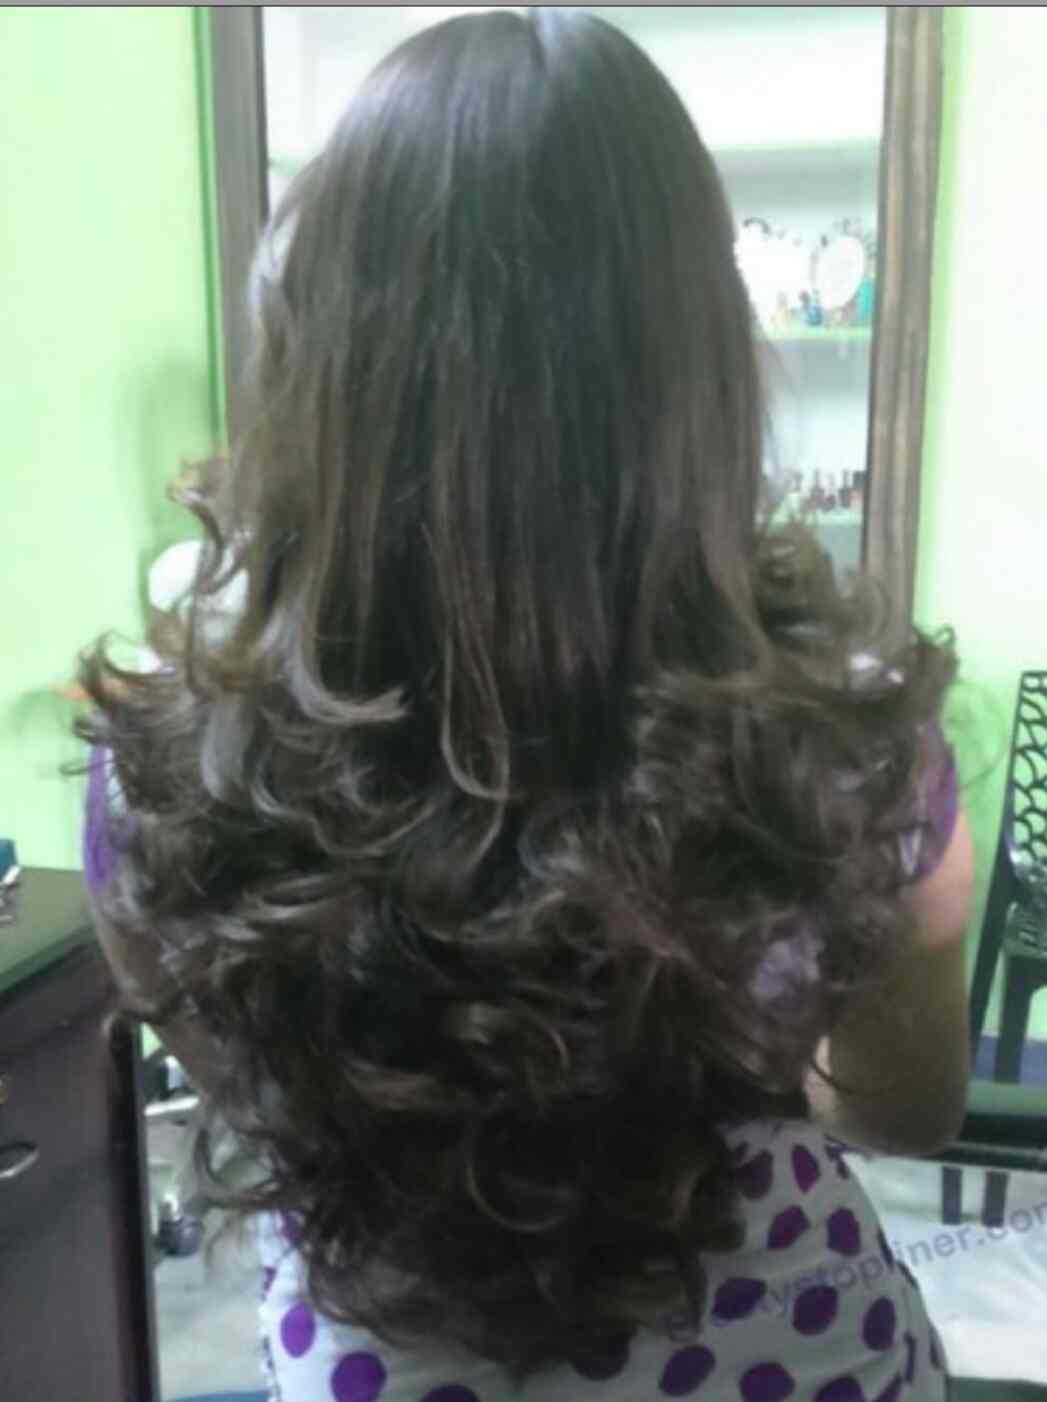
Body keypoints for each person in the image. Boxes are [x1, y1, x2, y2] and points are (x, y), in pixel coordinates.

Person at [77, 10, 972, 1401]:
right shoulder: (852, 754)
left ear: (317, 364)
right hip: (793, 1356)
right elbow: (904, 1110)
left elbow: (258, 1096)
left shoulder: (172, 777)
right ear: (702, 372)